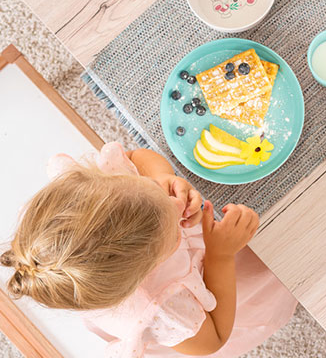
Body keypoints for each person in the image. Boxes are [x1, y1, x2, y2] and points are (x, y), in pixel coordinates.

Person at [1, 142, 297, 357]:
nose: (176, 201)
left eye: (153, 192)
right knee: (285, 265)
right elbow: (215, 338)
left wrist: (163, 179)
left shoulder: (97, 194)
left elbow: (136, 157)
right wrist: (221, 255)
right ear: (155, 259)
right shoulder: (163, 307)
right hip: (219, 297)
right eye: (170, 215)